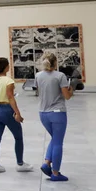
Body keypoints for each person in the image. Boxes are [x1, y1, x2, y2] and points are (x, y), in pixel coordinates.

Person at [0, 57, 32, 173]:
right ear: (5, 67)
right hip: (7, 110)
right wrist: (17, 113)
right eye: (8, 65)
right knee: (18, 137)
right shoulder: (9, 81)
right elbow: (10, 97)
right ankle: (20, 163)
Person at [36, 52, 73, 182]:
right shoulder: (60, 76)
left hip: (43, 113)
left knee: (55, 138)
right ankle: (56, 173)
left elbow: (40, 91)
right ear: (56, 63)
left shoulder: (38, 75)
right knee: (58, 142)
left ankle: (47, 163)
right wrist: (72, 88)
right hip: (57, 113)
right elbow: (67, 96)